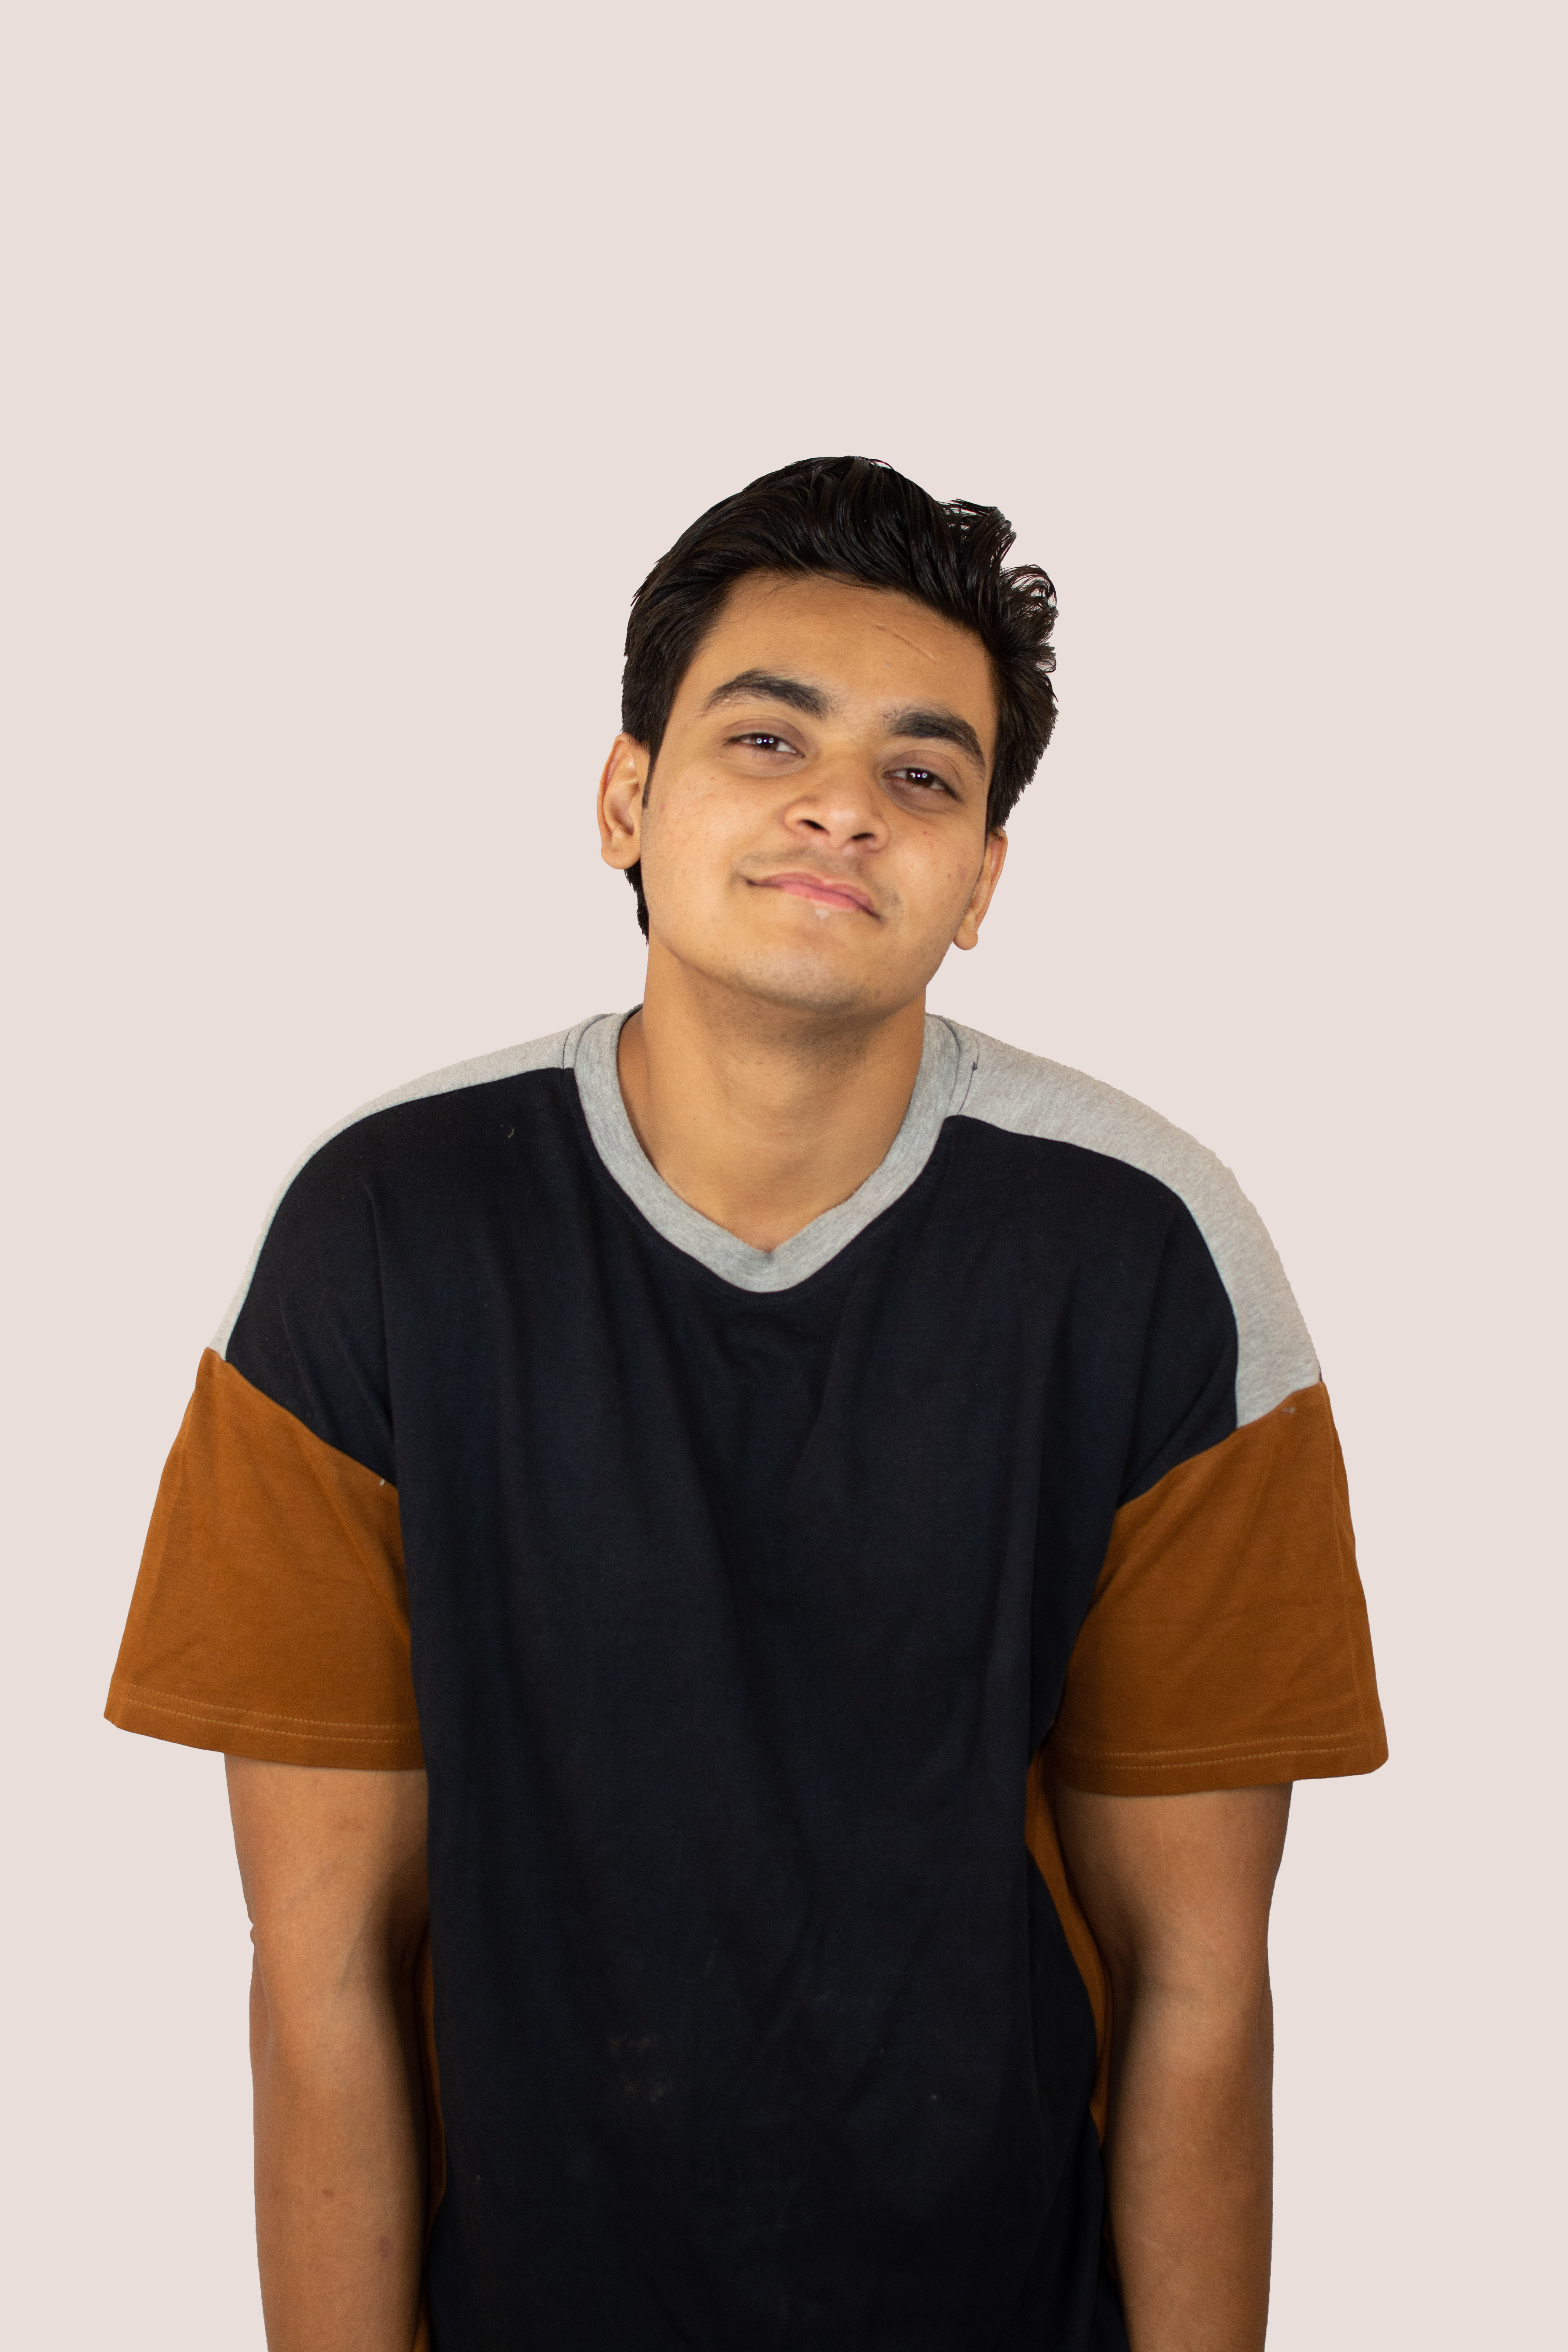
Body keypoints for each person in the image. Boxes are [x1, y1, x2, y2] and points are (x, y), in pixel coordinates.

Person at [106, 456, 1386, 2352]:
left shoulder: (1151, 1253)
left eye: (922, 776)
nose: (841, 806)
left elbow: (1198, 1976)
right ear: (627, 800)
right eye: (768, 737)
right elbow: (322, 1972)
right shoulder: (380, 1234)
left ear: (981, 882)